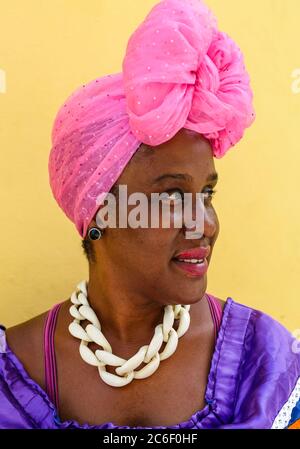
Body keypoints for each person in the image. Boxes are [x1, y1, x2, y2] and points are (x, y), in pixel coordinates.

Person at [0, 0, 299, 429]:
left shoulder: (264, 365)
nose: (206, 225)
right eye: (173, 196)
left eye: (207, 193)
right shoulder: (16, 374)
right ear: (98, 210)